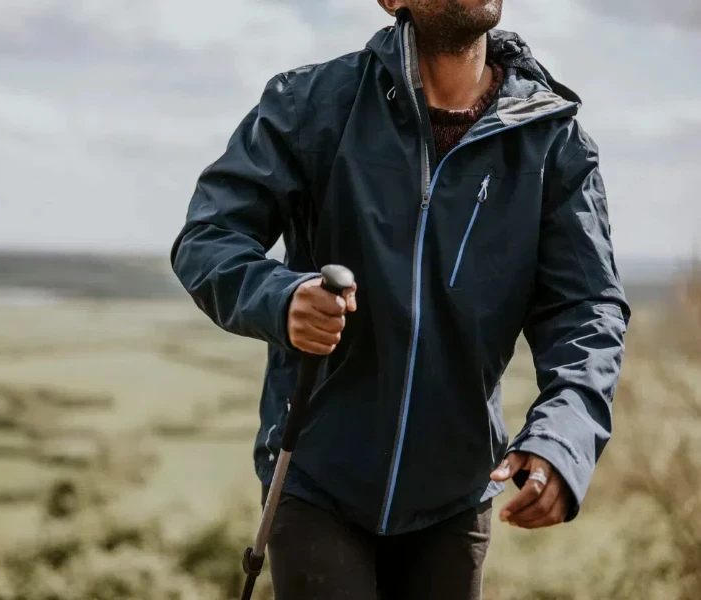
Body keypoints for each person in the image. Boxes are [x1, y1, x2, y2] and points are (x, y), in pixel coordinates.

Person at [170, 0, 630, 598]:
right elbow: (207, 240)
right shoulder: (310, 104)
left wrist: (562, 440)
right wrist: (282, 299)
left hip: (455, 499)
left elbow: (587, 310)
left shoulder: (552, 137)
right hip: (315, 480)